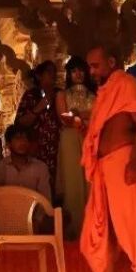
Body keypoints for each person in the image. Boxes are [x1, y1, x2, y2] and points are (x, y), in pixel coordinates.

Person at [80, 46, 136, 272]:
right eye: (90, 67)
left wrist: (135, 162)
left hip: (125, 162)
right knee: (103, 229)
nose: (91, 72)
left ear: (112, 61)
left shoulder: (126, 84)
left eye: (96, 65)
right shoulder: (105, 93)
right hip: (105, 169)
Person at [56, 56, 94, 236]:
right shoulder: (62, 95)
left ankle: (94, 228)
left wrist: (80, 114)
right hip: (71, 137)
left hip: (91, 136)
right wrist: (82, 118)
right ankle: (75, 229)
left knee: (91, 181)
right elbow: (64, 118)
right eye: (73, 71)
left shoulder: (96, 94)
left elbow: (101, 115)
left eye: (81, 70)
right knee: (72, 181)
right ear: (69, 74)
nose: (78, 74)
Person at [16, 61, 62, 189]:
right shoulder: (31, 95)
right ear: (39, 76)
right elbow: (20, 122)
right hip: (37, 147)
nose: (53, 75)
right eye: (49, 72)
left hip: (58, 147)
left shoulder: (60, 94)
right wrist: (39, 107)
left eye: (55, 72)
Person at [0, 125, 52, 201]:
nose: (23, 142)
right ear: (9, 144)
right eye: (18, 138)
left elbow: (45, 200)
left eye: (26, 139)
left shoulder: (40, 168)